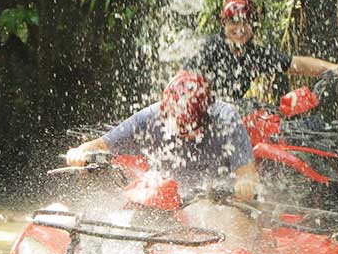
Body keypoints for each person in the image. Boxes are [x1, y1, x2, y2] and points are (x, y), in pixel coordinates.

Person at [65, 70, 260, 202]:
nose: (183, 133)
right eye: (178, 126)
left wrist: (244, 185)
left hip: (215, 202)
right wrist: (79, 152)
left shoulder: (226, 119)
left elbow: (247, 174)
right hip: (164, 199)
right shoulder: (152, 116)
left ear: (207, 114)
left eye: (190, 128)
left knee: (237, 218)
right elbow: (100, 145)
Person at [183, 0, 338, 101]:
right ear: (224, 24)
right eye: (234, 22)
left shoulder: (254, 55)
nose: (241, 29)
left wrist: (331, 67)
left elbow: (296, 64)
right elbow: (183, 83)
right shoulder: (210, 49)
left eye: (246, 22)